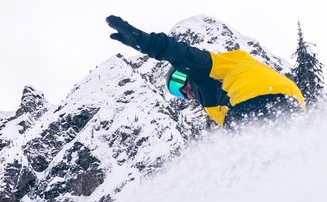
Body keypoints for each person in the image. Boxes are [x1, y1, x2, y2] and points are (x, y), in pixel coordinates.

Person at [106, 15, 305, 128]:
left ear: (185, 72)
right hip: (292, 101)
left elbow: (178, 52)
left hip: (250, 99)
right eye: (177, 92)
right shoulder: (227, 76)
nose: (184, 91)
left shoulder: (205, 70)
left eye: (179, 81)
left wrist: (143, 41)